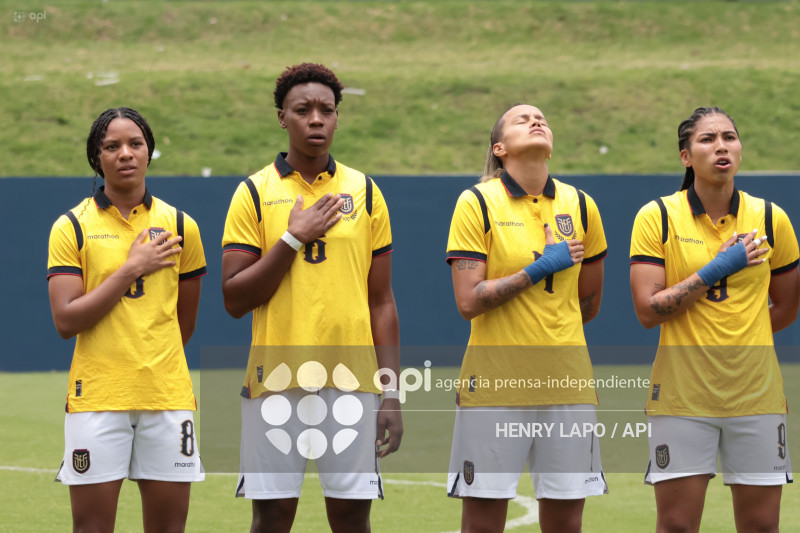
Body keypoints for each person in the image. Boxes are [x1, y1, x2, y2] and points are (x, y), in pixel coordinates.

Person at [221, 63, 402, 533]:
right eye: (303, 110)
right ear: (283, 118)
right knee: (273, 517)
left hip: (354, 384)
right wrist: (292, 239)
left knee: (351, 517)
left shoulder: (364, 191)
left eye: (327, 110)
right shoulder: (254, 192)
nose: (316, 119)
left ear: (338, 118)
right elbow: (235, 298)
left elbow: (381, 302)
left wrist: (392, 395)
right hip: (274, 382)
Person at [630, 107, 799, 533]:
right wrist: (716, 269)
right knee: (677, 527)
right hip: (682, 400)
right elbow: (648, 310)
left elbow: (785, 306)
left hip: (757, 399)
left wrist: (740, 335)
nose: (721, 146)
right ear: (685, 156)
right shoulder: (658, 216)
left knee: (762, 528)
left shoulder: (771, 219)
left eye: (729, 137)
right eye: (707, 139)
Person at [445, 104, 608, 533]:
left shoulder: (582, 205)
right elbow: (468, 301)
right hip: (495, 384)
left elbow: (588, 302)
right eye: (522, 119)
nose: (537, 121)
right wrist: (537, 270)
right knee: (482, 520)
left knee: (566, 522)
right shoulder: (476, 201)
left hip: (568, 383)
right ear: (499, 148)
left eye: (542, 118)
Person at [47, 107, 207, 532]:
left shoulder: (180, 226)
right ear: (96, 157)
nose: (125, 154)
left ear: (149, 152)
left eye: (135, 144)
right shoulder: (72, 227)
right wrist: (131, 268)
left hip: (167, 397)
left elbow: (182, 323)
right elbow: (66, 320)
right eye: (112, 146)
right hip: (97, 399)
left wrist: (153, 360)